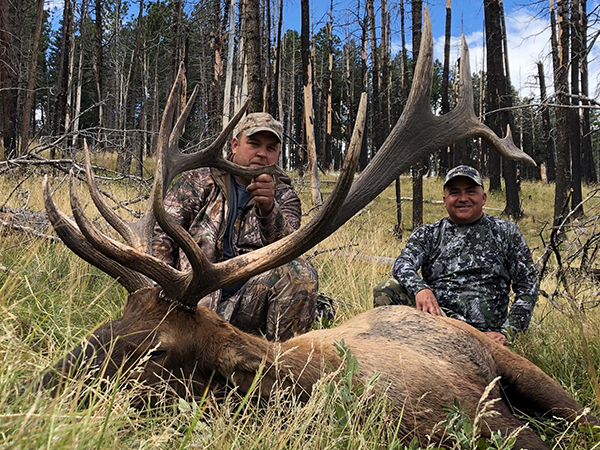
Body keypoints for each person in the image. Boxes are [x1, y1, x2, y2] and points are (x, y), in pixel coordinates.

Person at [152, 112, 317, 341]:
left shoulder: (284, 197)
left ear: (278, 155)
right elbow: (161, 236)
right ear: (235, 145)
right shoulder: (197, 181)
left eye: (270, 148)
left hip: (245, 307)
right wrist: (164, 297)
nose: (262, 153)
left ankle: (277, 366)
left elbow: (288, 252)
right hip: (190, 304)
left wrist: (269, 210)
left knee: (301, 272)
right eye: (254, 144)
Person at [373, 165, 538, 346]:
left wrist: (508, 332)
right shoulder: (429, 234)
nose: (463, 199)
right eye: (455, 193)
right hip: (439, 323)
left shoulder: (506, 232)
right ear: (445, 200)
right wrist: (420, 289)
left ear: (483, 198)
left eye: (470, 192)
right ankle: (396, 356)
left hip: (486, 336)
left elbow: (528, 286)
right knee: (386, 289)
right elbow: (402, 264)